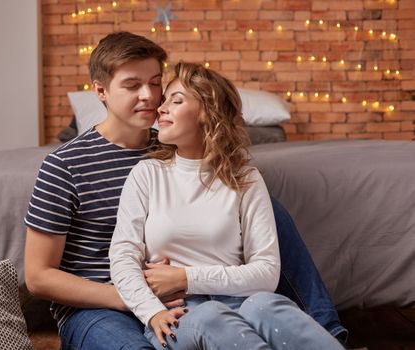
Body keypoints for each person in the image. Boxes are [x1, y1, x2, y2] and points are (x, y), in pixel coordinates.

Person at [24, 31, 346, 350]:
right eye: (132, 85)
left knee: (267, 210)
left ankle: (327, 334)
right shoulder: (64, 165)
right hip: (99, 305)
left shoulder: (171, 143)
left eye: (154, 83)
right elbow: (38, 277)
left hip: (180, 292)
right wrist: (135, 298)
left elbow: (217, 163)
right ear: (101, 92)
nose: (151, 97)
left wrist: (183, 281)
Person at [109, 61, 344, 350]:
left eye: (177, 100)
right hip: (181, 314)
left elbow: (267, 273)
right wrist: (151, 312)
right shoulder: (147, 174)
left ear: (207, 113)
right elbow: (123, 257)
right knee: (210, 314)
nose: (161, 108)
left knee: (267, 305)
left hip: (244, 302)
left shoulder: (245, 179)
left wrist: (187, 276)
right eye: (165, 99)